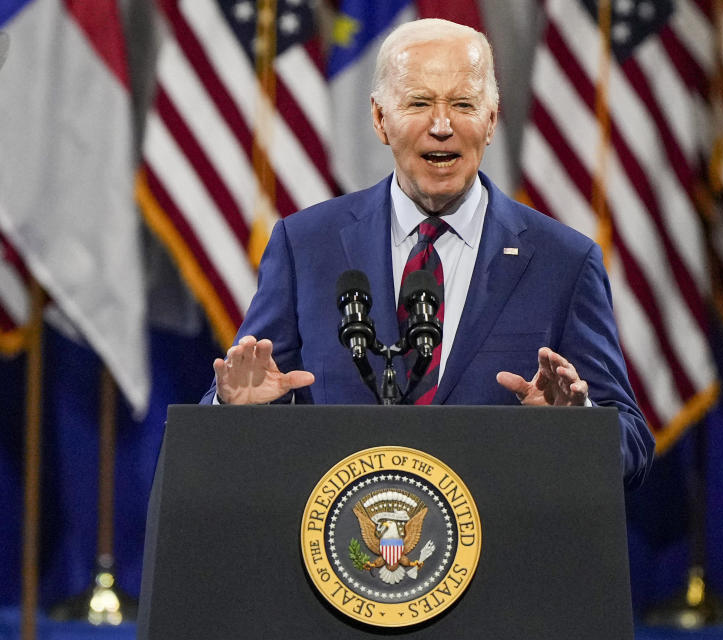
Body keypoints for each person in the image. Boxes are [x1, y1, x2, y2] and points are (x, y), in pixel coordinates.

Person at [202, 18, 653, 487]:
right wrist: (234, 410)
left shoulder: (564, 262)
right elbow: (230, 413)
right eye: (419, 103)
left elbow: (633, 448)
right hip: (341, 549)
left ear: (491, 120)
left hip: (496, 551)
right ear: (380, 118)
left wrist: (577, 427)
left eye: (463, 104)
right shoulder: (306, 246)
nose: (442, 126)